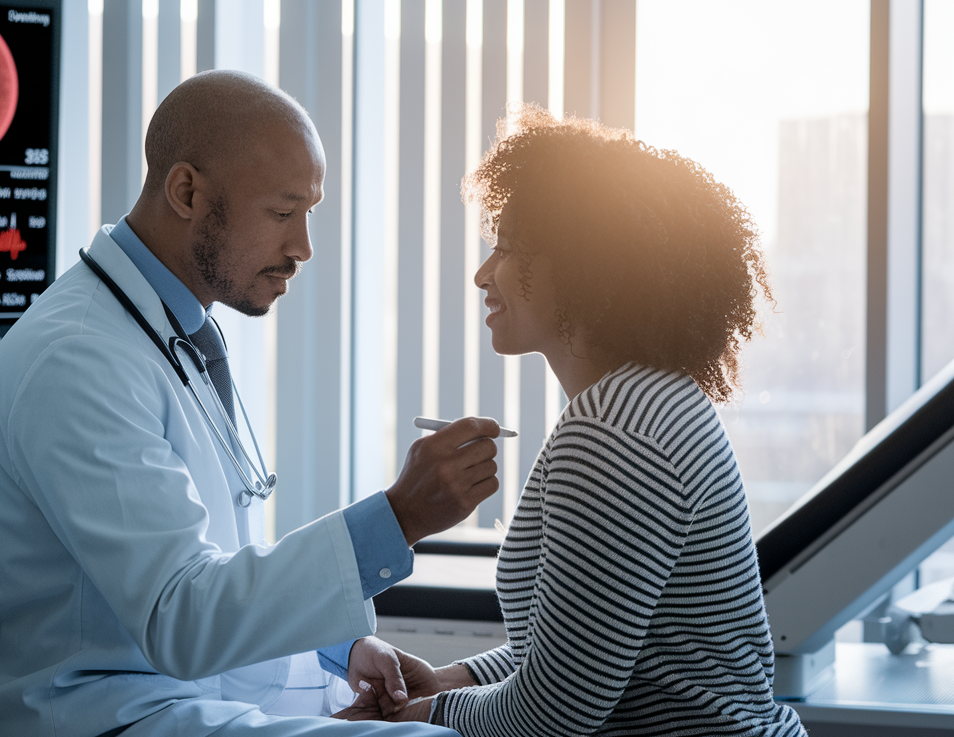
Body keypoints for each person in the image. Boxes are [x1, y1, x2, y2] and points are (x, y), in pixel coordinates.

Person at [0, 69, 502, 737]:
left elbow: (201, 578)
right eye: (283, 214)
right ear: (187, 191)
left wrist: (338, 649)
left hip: (163, 692)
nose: (303, 248)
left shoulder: (169, 331)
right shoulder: (79, 358)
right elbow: (181, 615)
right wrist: (398, 518)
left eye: (309, 214)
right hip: (79, 716)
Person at [335, 105, 807, 736]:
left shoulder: (615, 434)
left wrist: (414, 718)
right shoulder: (641, 403)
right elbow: (584, 649)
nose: (482, 275)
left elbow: (555, 714)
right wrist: (451, 680)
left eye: (505, 249)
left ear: (583, 266)